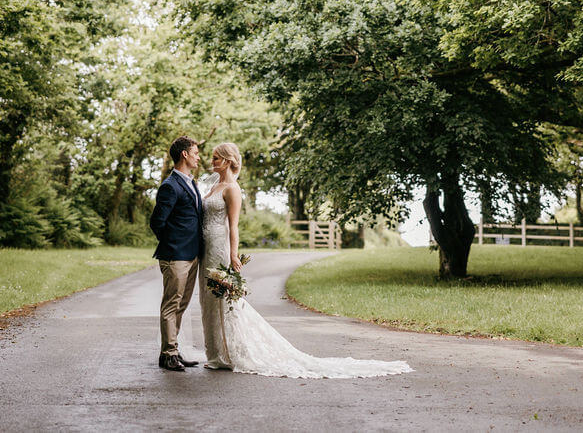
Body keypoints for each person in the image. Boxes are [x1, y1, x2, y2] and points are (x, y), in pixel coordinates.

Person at [198, 142, 413, 378]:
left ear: (227, 161)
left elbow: (234, 226)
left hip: (220, 248)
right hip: (206, 248)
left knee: (223, 299)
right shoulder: (213, 185)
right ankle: (215, 353)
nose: (212, 162)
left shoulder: (232, 189)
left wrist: (232, 255)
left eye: (216, 159)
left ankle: (229, 353)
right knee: (207, 299)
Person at [149, 136, 204, 371]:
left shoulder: (192, 183)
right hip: (175, 255)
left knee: (181, 305)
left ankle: (172, 349)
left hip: (192, 255)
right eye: (196, 152)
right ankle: (168, 354)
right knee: (171, 305)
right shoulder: (170, 185)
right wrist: (173, 245)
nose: (198, 156)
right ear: (184, 154)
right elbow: (156, 222)